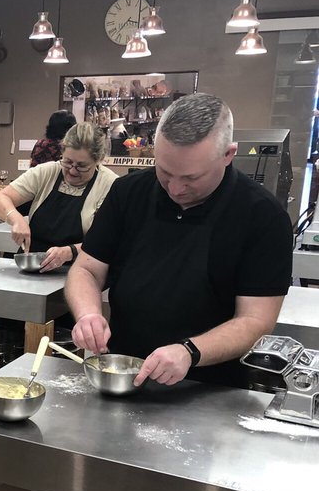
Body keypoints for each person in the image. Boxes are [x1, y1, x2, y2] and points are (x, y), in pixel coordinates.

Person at [66, 93, 293, 388]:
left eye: (191, 178)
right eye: (164, 171)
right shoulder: (128, 193)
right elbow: (86, 269)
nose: (175, 188)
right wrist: (88, 314)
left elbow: (256, 321)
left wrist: (190, 351)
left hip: (211, 387)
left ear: (228, 155)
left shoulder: (263, 216)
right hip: (123, 374)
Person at [0, 122, 117, 272]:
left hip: (81, 271)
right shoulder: (46, 173)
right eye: (67, 162)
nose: (72, 171)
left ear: (98, 160)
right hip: (32, 266)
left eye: (82, 166)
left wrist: (70, 251)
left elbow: (109, 240)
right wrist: (16, 219)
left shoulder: (110, 185)